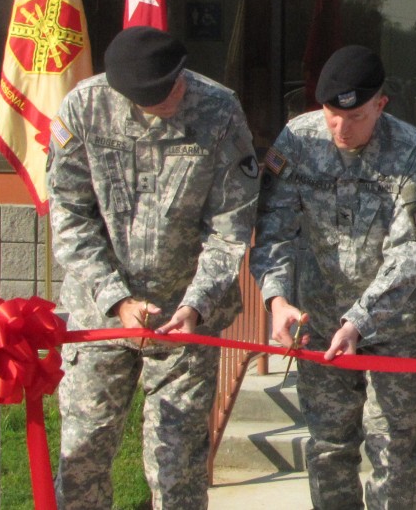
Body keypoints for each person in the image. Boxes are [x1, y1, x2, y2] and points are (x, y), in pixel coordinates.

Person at [48, 26, 260, 509]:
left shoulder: (219, 109)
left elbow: (230, 224)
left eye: (178, 80)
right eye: (162, 93)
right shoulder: (83, 108)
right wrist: (116, 299)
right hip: (100, 317)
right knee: (83, 456)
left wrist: (196, 305)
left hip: (185, 322)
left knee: (177, 467)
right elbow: (70, 215)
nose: (177, 92)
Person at [250, 45, 416, 509]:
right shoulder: (296, 141)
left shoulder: (415, 152)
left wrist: (360, 320)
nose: (340, 129)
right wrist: (277, 299)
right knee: (328, 445)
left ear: (381, 104)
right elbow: (274, 229)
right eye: (331, 115)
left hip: (400, 325)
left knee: (393, 450)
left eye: (355, 116)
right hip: (321, 320)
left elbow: (412, 251)